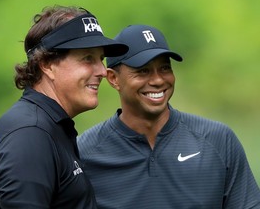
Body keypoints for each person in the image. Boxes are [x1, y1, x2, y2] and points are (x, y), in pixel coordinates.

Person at [77, 24, 260, 208]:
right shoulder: (84, 153)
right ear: (113, 79)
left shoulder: (217, 140)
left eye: (165, 68)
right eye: (143, 71)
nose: (158, 80)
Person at [0, 5, 128, 208]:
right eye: (88, 58)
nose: (103, 71)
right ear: (47, 64)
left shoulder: (48, 126)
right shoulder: (30, 134)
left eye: (100, 59)